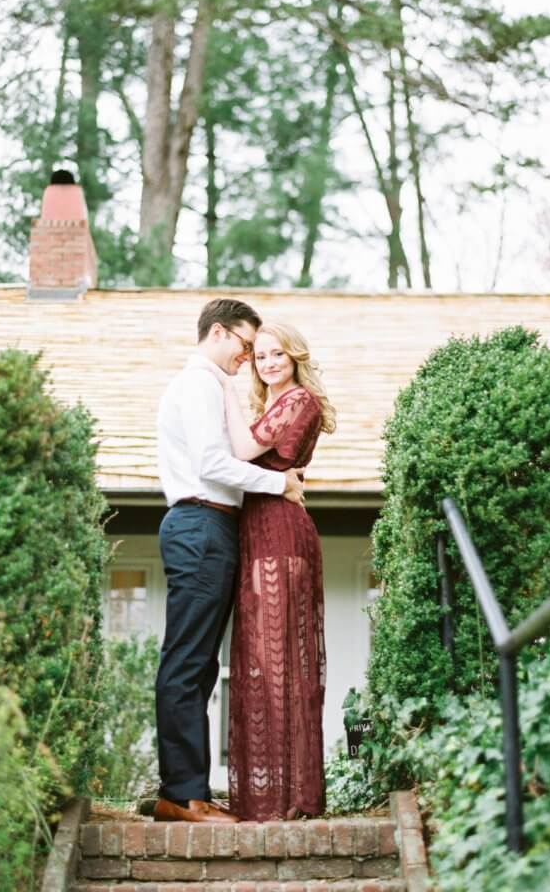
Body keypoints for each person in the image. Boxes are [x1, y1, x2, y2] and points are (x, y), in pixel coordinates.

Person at [154, 298, 305, 824]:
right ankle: (179, 794)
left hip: (213, 526)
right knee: (188, 661)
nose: (248, 357)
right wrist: (278, 483)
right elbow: (212, 463)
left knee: (197, 667)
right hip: (199, 525)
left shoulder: (214, 386)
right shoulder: (198, 384)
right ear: (217, 333)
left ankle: (189, 789)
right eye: (244, 345)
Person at [221, 322, 336, 821]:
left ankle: (292, 797)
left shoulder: (298, 401)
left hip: (281, 534)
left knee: (283, 663)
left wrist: (223, 386)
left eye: (276, 356)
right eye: (260, 356)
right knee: (263, 664)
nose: (267, 363)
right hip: (258, 531)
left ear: (294, 359)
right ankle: (270, 796)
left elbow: (244, 451)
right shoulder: (270, 405)